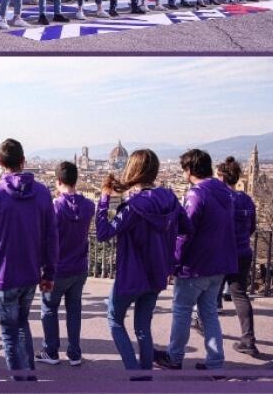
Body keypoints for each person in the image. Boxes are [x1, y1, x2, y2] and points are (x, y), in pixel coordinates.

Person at [96, 149, 188, 379]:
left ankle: (135, 375)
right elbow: (187, 229)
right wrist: (170, 255)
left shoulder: (133, 207)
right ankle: (145, 376)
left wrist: (104, 199)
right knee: (143, 328)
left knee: (115, 320)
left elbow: (103, 233)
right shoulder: (169, 198)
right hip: (157, 273)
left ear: (133, 169)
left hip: (131, 275)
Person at [0, 138, 57, 381]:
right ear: (23, 161)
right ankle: (29, 376)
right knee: (22, 325)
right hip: (31, 273)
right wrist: (49, 273)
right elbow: (52, 236)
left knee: (9, 332)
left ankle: (20, 382)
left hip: (4, 274)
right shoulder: (42, 192)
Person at [155, 149, 237, 371]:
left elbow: (184, 233)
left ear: (189, 169)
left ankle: (174, 357)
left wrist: (173, 263)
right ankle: (215, 361)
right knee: (209, 313)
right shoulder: (227, 193)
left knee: (182, 310)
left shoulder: (196, 194)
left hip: (196, 265)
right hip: (219, 265)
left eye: (183, 169)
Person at [38, 162, 93, 367]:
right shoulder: (89, 206)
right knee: (74, 310)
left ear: (58, 181)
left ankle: (51, 351)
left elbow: (46, 240)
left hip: (55, 269)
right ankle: (75, 353)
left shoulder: (54, 207)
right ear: (76, 180)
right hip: (80, 268)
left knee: (49, 308)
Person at [217, 157, 259, 356]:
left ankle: (209, 341)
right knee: (240, 295)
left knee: (209, 294)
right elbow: (252, 227)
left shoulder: (221, 199)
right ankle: (248, 340)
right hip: (243, 252)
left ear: (222, 177)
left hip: (221, 252)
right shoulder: (247, 199)